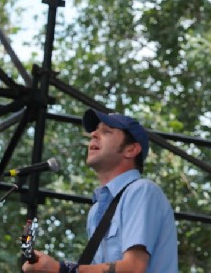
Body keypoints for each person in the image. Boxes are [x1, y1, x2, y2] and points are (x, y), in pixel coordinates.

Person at [22, 109, 179, 273]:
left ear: (131, 150)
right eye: (95, 131)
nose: (94, 135)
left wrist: (62, 269)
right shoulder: (97, 210)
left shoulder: (141, 191)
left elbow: (134, 268)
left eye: (106, 131)